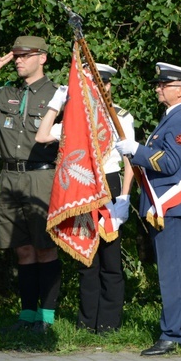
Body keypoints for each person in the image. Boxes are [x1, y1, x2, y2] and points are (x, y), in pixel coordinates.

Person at [36, 64, 135, 333]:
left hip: (110, 185)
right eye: (92, 84)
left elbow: (130, 161)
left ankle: (109, 324)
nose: (99, 89)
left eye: (103, 84)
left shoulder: (121, 117)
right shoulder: (75, 119)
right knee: (86, 259)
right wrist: (56, 104)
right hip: (82, 187)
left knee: (110, 260)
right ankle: (87, 322)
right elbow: (42, 135)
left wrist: (124, 199)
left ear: (108, 86)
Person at [115, 63, 181, 355]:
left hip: (172, 204)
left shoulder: (180, 120)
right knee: (178, 270)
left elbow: (168, 163)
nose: (158, 88)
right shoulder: (175, 117)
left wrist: (136, 150)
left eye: (164, 84)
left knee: (171, 272)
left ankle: (172, 334)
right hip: (171, 205)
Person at [0, 36, 62, 334]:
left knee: (44, 247)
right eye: (16, 56)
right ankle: (27, 315)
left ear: (42, 58)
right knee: (22, 250)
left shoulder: (59, 94)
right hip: (10, 178)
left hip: (42, 176)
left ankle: (46, 320)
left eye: (25, 55)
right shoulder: (6, 93)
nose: (19, 60)